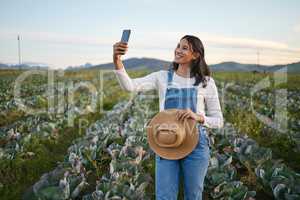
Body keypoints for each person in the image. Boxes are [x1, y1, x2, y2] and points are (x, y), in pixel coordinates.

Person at [112, 35, 224, 200]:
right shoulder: (162, 77)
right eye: (178, 46)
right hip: (166, 140)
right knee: (164, 196)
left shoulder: (206, 82)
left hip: (196, 143)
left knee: (193, 195)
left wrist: (199, 117)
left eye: (185, 48)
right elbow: (130, 86)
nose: (178, 50)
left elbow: (218, 120)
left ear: (196, 55)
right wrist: (117, 59)